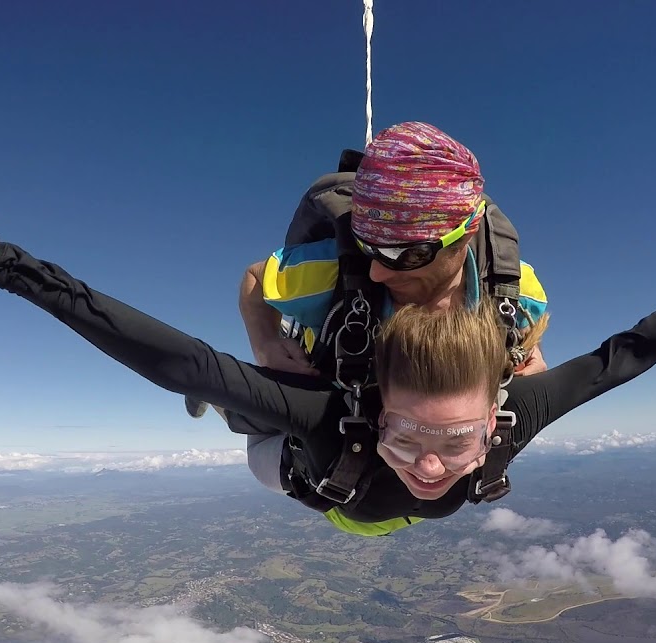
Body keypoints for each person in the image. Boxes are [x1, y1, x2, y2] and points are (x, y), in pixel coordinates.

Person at [0, 164, 656, 536]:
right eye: (416, 439)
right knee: (247, 401)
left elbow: (635, 351)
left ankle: (505, 343)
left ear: (496, 415)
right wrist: (5, 266)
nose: (432, 466)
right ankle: (266, 370)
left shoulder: (512, 410)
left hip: (418, 405)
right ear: (381, 408)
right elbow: (170, 357)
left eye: (454, 446)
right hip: (299, 462)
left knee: (535, 347)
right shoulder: (339, 419)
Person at [206, 121, 553, 492]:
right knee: (260, 432)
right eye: (367, 247)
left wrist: (527, 352)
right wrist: (266, 344)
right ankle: (210, 399)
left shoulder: (514, 291)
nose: (376, 271)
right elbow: (256, 279)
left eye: (407, 255)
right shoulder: (328, 271)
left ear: (468, 231)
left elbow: (523, 330)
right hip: (335, 397)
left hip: (414, 432)